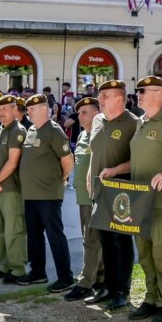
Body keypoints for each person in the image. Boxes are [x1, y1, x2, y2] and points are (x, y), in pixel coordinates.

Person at [116, 76, 162, 322]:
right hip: (139, 201)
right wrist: (114, 170)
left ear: (158, 93)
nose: (139, 95)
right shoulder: (141, 122)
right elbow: (139, 158)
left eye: (142, 91)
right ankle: (151, 297)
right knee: (144, 253)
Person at [89, 79, 140, 309]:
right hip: (100, 192)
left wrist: (116, 170)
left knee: (121, 240)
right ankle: (108, 287)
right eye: (100, 96)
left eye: (104, 96)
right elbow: (95, 153)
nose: (99, 100)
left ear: (119, 98)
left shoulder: (133, 123)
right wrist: (89, 177)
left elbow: (139, 160)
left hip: (122, 191)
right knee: (106, 240)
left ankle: (123, 289)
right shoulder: (98, 120)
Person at [19, 94, 74, 289]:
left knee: (54, 236)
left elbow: (67, 160)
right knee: (34, 236)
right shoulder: (31, 130)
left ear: (44, 109)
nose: (28, 112)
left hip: (48, 194)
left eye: (32, 109)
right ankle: (37, 273)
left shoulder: (54, 131)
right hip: (31, 194)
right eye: (27, 108)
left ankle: (65, 277)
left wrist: (61, 178)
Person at [0, 95, 28, 283]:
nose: (1, 113)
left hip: (10, 189)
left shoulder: (17, 131)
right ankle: (4, 265)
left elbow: (12, 163)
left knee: (13, 230)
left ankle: (17, 268)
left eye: (5, 109)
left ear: (14, 109)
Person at [64, 97, 103, 301]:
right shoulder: (82, 136)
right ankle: (99, 277)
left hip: (95, 196)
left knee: (90, 240)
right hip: (82, 195)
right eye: (79, 113)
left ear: (96, 114)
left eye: (84, 112)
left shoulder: (101, 134)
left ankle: (86, 281)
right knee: (91, 239)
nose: (79, 116)